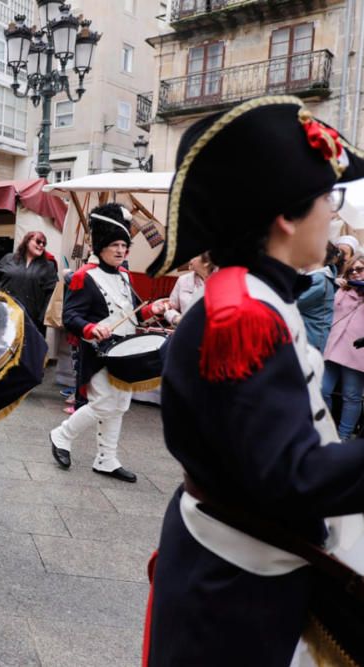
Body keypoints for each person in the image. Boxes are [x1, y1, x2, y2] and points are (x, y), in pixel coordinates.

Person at [144, 97, 364, 665]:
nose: (334, 216)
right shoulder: (243, 314)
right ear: (285, 217)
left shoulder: (259, 295)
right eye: (327, 198)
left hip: (243, 567)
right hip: (232, 591)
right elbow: (290, 476)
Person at [48, 203, 167, 484]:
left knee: (121, 405)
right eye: (114, 244)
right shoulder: (82, 277)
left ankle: (106, 458)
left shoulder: (125, 276)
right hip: (99, 352)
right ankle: (61, 435)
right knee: (102, 404)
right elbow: (71, 316)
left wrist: (154, 310)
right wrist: (91, 328)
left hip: (125, 352)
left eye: (124, 245)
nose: (120, 251)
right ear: (101, 246)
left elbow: (134, 311)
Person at [321, 254, 364, 440]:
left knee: (351, 396)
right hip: (333, 347)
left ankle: (343, 437)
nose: (355, 273)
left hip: (356, 351)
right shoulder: (342, 289)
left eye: (360, 269)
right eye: (351, 270)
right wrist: (331, 284)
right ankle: (327, 429)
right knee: (322, 390)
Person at [0, 230, 58, 333]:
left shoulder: (48, 266)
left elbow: (53, 293)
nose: (41, 245)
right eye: (38, 241)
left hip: (32, 322)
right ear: (27, 241)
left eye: (44, 243)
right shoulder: (9, 259)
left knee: (29, 349)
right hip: (5, 317)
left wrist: (41, 318)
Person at [297, 255, 336, 352]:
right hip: (309, 334)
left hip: (312, 337)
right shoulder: (316, 277)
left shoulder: (319, 279)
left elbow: (294, 301)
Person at [163, 253, 215, 326]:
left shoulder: (224, 281)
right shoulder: (183, 280)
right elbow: (170, 308)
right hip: (185, 331)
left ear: (206, 262)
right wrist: (176, 318)